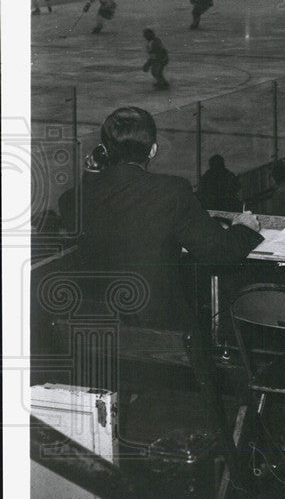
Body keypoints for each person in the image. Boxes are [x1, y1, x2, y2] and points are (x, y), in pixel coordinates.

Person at [63, 106, 263, 332]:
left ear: (104, 151)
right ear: (153, 150)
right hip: (160, 335)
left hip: (94, 334)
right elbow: (221, 252)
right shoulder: (172, 191)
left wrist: (91, 176)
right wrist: (245, 228)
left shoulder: (73, 200)